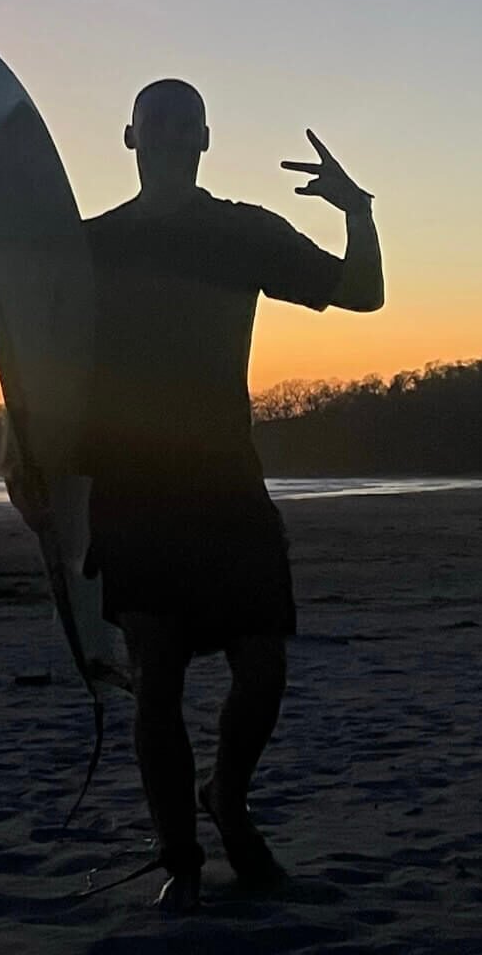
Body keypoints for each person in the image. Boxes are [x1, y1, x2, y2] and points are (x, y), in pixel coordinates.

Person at [80, 78, 384, 912]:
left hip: (223, 477)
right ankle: (180, 857)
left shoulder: (241, 232)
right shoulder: (87, 245)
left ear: (205, 141)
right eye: (158, 122)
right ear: (131, 138)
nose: (174, 135)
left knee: (263, 664)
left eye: (188, 124)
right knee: (159, 681)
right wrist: (31, 465)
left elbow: (363, 293)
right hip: (131, 483)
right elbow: (31, 358)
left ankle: (229, 797)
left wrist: (357, 210)